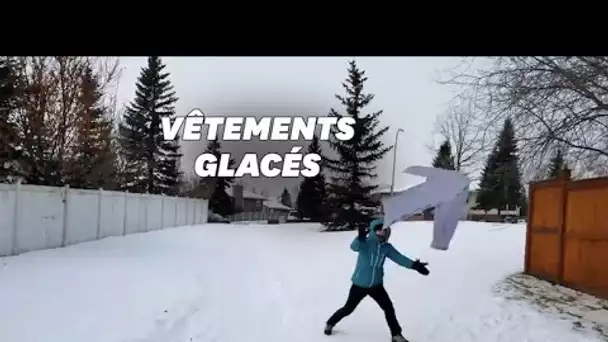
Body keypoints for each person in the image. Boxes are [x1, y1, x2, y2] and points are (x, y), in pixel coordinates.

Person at [324, 218, 429, 342]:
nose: (381, 234)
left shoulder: (387, 248)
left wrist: (414, 265)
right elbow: (354, 247)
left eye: (384, 231)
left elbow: (399, 258)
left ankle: (396, 335)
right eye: (378, 231)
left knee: (388, 308)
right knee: (348, 308)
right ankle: (330, 322)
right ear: (373, 232)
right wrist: (359, 238)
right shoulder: (365, 243)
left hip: (376, 285)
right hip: (359, 285)